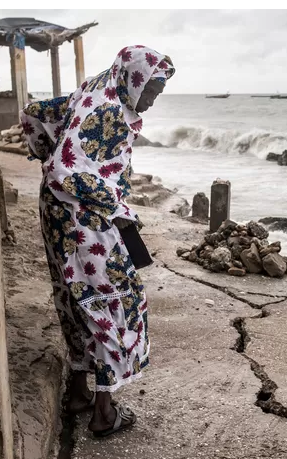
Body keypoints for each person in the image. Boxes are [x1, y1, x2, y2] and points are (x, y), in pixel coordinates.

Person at [20, 46, 175, 437]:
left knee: (77, 300)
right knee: (116, 302)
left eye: (159, 90)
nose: (154, 99)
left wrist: (42, 147)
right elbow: (62, 169)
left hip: (60, 215)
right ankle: (104, 413)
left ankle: (78, 393)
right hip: (83, 218)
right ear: (135, 78)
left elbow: (36, 113)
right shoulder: (105, 110)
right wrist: (117, 206)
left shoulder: (98, 89)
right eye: (153, 89)